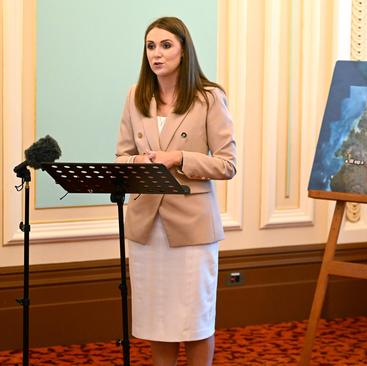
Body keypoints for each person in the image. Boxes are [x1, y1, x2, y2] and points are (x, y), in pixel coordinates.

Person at [115, 17, 236, 365]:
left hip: (191, 229)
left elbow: (227, 164)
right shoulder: (135, 96)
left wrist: (178, 158)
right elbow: (121, 155)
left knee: (194, 323)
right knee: (158, 323)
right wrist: (136, 163)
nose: (157, 54)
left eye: (166, 45)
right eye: (150, 46)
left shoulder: (208, 97)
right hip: (146, 227)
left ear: (184, 50)